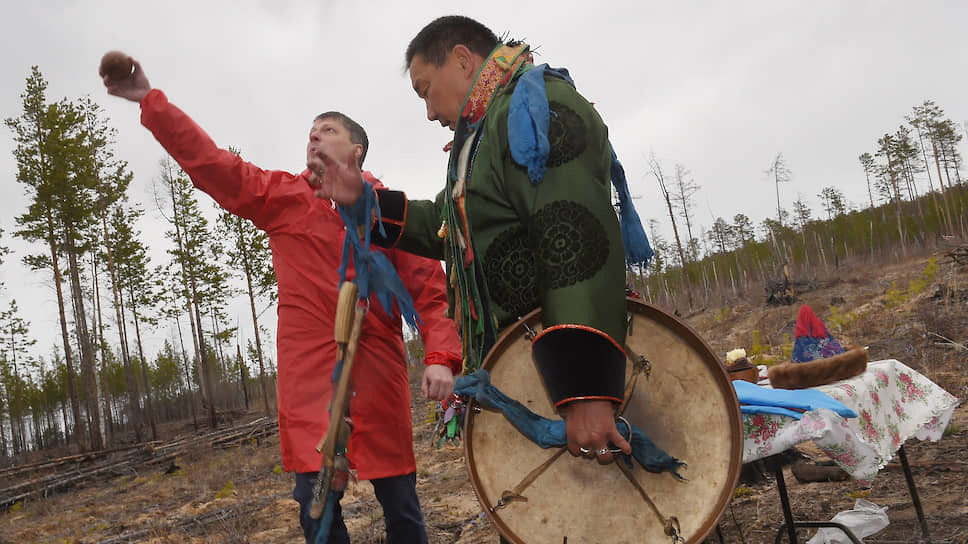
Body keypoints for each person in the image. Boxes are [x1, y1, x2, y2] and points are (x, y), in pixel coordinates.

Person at [102, 57, 463, 544]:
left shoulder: (387, 212)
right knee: (317, 511)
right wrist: (151, 101)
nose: (313, 135)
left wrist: (441, 358)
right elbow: (212, 164)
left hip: (378, 384)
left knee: (402, 507)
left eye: (327, 129)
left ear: (355, 149)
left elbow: (430, 292)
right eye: (310, 131)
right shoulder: (283, 198)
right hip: (311, 390)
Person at [307, 15, 644, 463]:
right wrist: (365, 201)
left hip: (564, 383)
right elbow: (443, 226)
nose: (428, 112)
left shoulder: (533, 108)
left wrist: (587, 391)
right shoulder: (481, 141)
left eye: (425, 89)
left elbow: (574, 243)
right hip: (522, 369)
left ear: (463, 60)